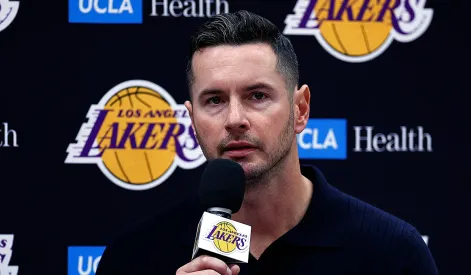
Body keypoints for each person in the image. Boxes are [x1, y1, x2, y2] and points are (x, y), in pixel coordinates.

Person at [95, 10, 439, 275]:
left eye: (257, 95)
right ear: (192, 117)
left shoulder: (392, 253)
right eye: (213, 100)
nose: (234, 119)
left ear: (300, 109)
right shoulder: (133, 257)